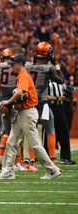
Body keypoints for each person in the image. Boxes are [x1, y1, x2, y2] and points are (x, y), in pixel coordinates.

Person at [0, 54, 61, 180]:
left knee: (34, 144)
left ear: (20, 64)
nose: (11, 66)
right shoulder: (21, 75)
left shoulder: (24, 75)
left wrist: (8, 102)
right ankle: (7, 171)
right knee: (11, 141)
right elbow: (21, 94)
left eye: (13, 63)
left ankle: (52, 169)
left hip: (28, 112)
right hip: (23, 112)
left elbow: (20, 92)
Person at [26, 42, 64, 171]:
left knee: (32, 132)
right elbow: (61, 80)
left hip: (29, 104)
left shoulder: (27, 66)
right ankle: (52, 162)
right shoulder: (48, 69)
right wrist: (56, 63)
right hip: (42, 103)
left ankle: (32, 163)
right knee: (50, 131)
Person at [47, 81, 75, 164]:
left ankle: (65, 157)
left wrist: (66, 95)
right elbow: (43, 95)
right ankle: (47, 156)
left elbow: (63, 92)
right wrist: (57, 98)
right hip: (50, 108)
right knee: (49, 133)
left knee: (64, 131)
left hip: (60, 107)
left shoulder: (60, 80)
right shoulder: (45, 80)